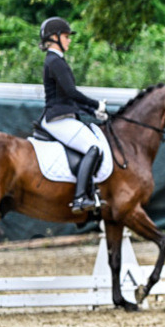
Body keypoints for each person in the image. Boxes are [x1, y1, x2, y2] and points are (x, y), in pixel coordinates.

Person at [39, 17, 109, 213]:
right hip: (58, 119)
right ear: (54, 38)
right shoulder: (55, 61)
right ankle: (80, 198)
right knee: (94, 147)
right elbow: (71, 93)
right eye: (66, 36)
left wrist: (93, 112)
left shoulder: (56, 61)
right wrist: (96, 103)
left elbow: (70, 99)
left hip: (64, 115)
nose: (69, 40)